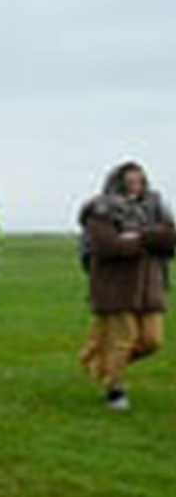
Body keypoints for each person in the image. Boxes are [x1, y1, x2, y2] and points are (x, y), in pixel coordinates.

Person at [77, 161, 173, 412]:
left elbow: (170, 240)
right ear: (117, 183)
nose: (136, 187)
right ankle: (115, 390)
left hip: (150, 286)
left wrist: (137, 236)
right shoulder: (100, 209)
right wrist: (150, 238)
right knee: (124, 339)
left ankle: (99, 362)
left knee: (153, 341)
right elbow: (107, 246)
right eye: (130, 182)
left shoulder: (155, 205)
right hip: (114, 288)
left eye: (140, 181)